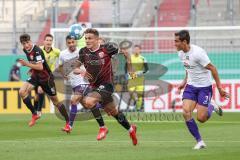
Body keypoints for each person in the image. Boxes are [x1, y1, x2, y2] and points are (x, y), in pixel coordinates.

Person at [74, 28, 138, 145]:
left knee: (88, 102)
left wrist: (130, 70)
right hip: (94, 86)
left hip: (107, 85)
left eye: (90, 38)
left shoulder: (108, 48)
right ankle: (131, 129)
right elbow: (75, 67)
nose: (87, 41)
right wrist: (81, 71)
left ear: (97, 39)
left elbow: (126, 53)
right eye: (86, 38)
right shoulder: (83, 51)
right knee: (114, 112)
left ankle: (103, 127)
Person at [174, 30, 229, 149]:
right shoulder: (181, 54)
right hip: (191, 87)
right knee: (185, 112)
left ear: (184, 42)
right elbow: (188, 68)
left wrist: (219, 88)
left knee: (201, 118)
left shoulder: (198, 53)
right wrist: (184, 82)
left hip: (205, 87)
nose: (175, 44)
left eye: (176, 41)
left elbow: (213, 68)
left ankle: (212, 106)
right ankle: (199, 141)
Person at [18, 33, 71, 132]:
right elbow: (35, 64)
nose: (26, 45)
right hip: (35, 77)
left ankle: (68, 122)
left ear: (31, 41)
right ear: (22, 44)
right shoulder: (25, 50)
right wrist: (31, 68)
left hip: (46, 79)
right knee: (22, 91)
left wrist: (27, 64)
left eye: (28, 42)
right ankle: (35, 113)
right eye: (24, 43)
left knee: (56, 102)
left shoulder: (37, 50)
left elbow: (40, 67)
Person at [58, 35, 106, 137]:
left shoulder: (83, 51)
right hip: (74, 84)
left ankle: (69, 126)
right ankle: (104, 106)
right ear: (67, 43)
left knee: (73, 100)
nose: (71, 44)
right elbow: (61, 66)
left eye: (73, 42)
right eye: (69, 42)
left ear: (76, 42)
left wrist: (98, 41)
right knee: (87, 105)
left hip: (84, 81)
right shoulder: (62, 54)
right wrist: (64, 75)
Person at [34, 34, 61, 117]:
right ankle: (36, 112)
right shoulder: (39, 50)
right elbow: (33, 60)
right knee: (37, 96)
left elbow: (63, 58)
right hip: (39, 75)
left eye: (50, 40)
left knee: (53, 98)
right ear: (44, 41)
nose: (49, 42)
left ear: (52, 42)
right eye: (47, 40)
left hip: (49, 76)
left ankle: (38, 111)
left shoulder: (57, 51)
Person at [127, 45, 149, 111]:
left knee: (139, 95)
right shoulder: (130, 58)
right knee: (130, 91)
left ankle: (138, 109)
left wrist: (140, 72)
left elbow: (147, 70)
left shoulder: (143, 58)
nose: (136, 50)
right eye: (135, 49)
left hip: (140, 79)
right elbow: (127, 68)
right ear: (133, 50)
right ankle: (135, 101)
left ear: (140, 50)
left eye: (137, 49)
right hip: (132, 78)